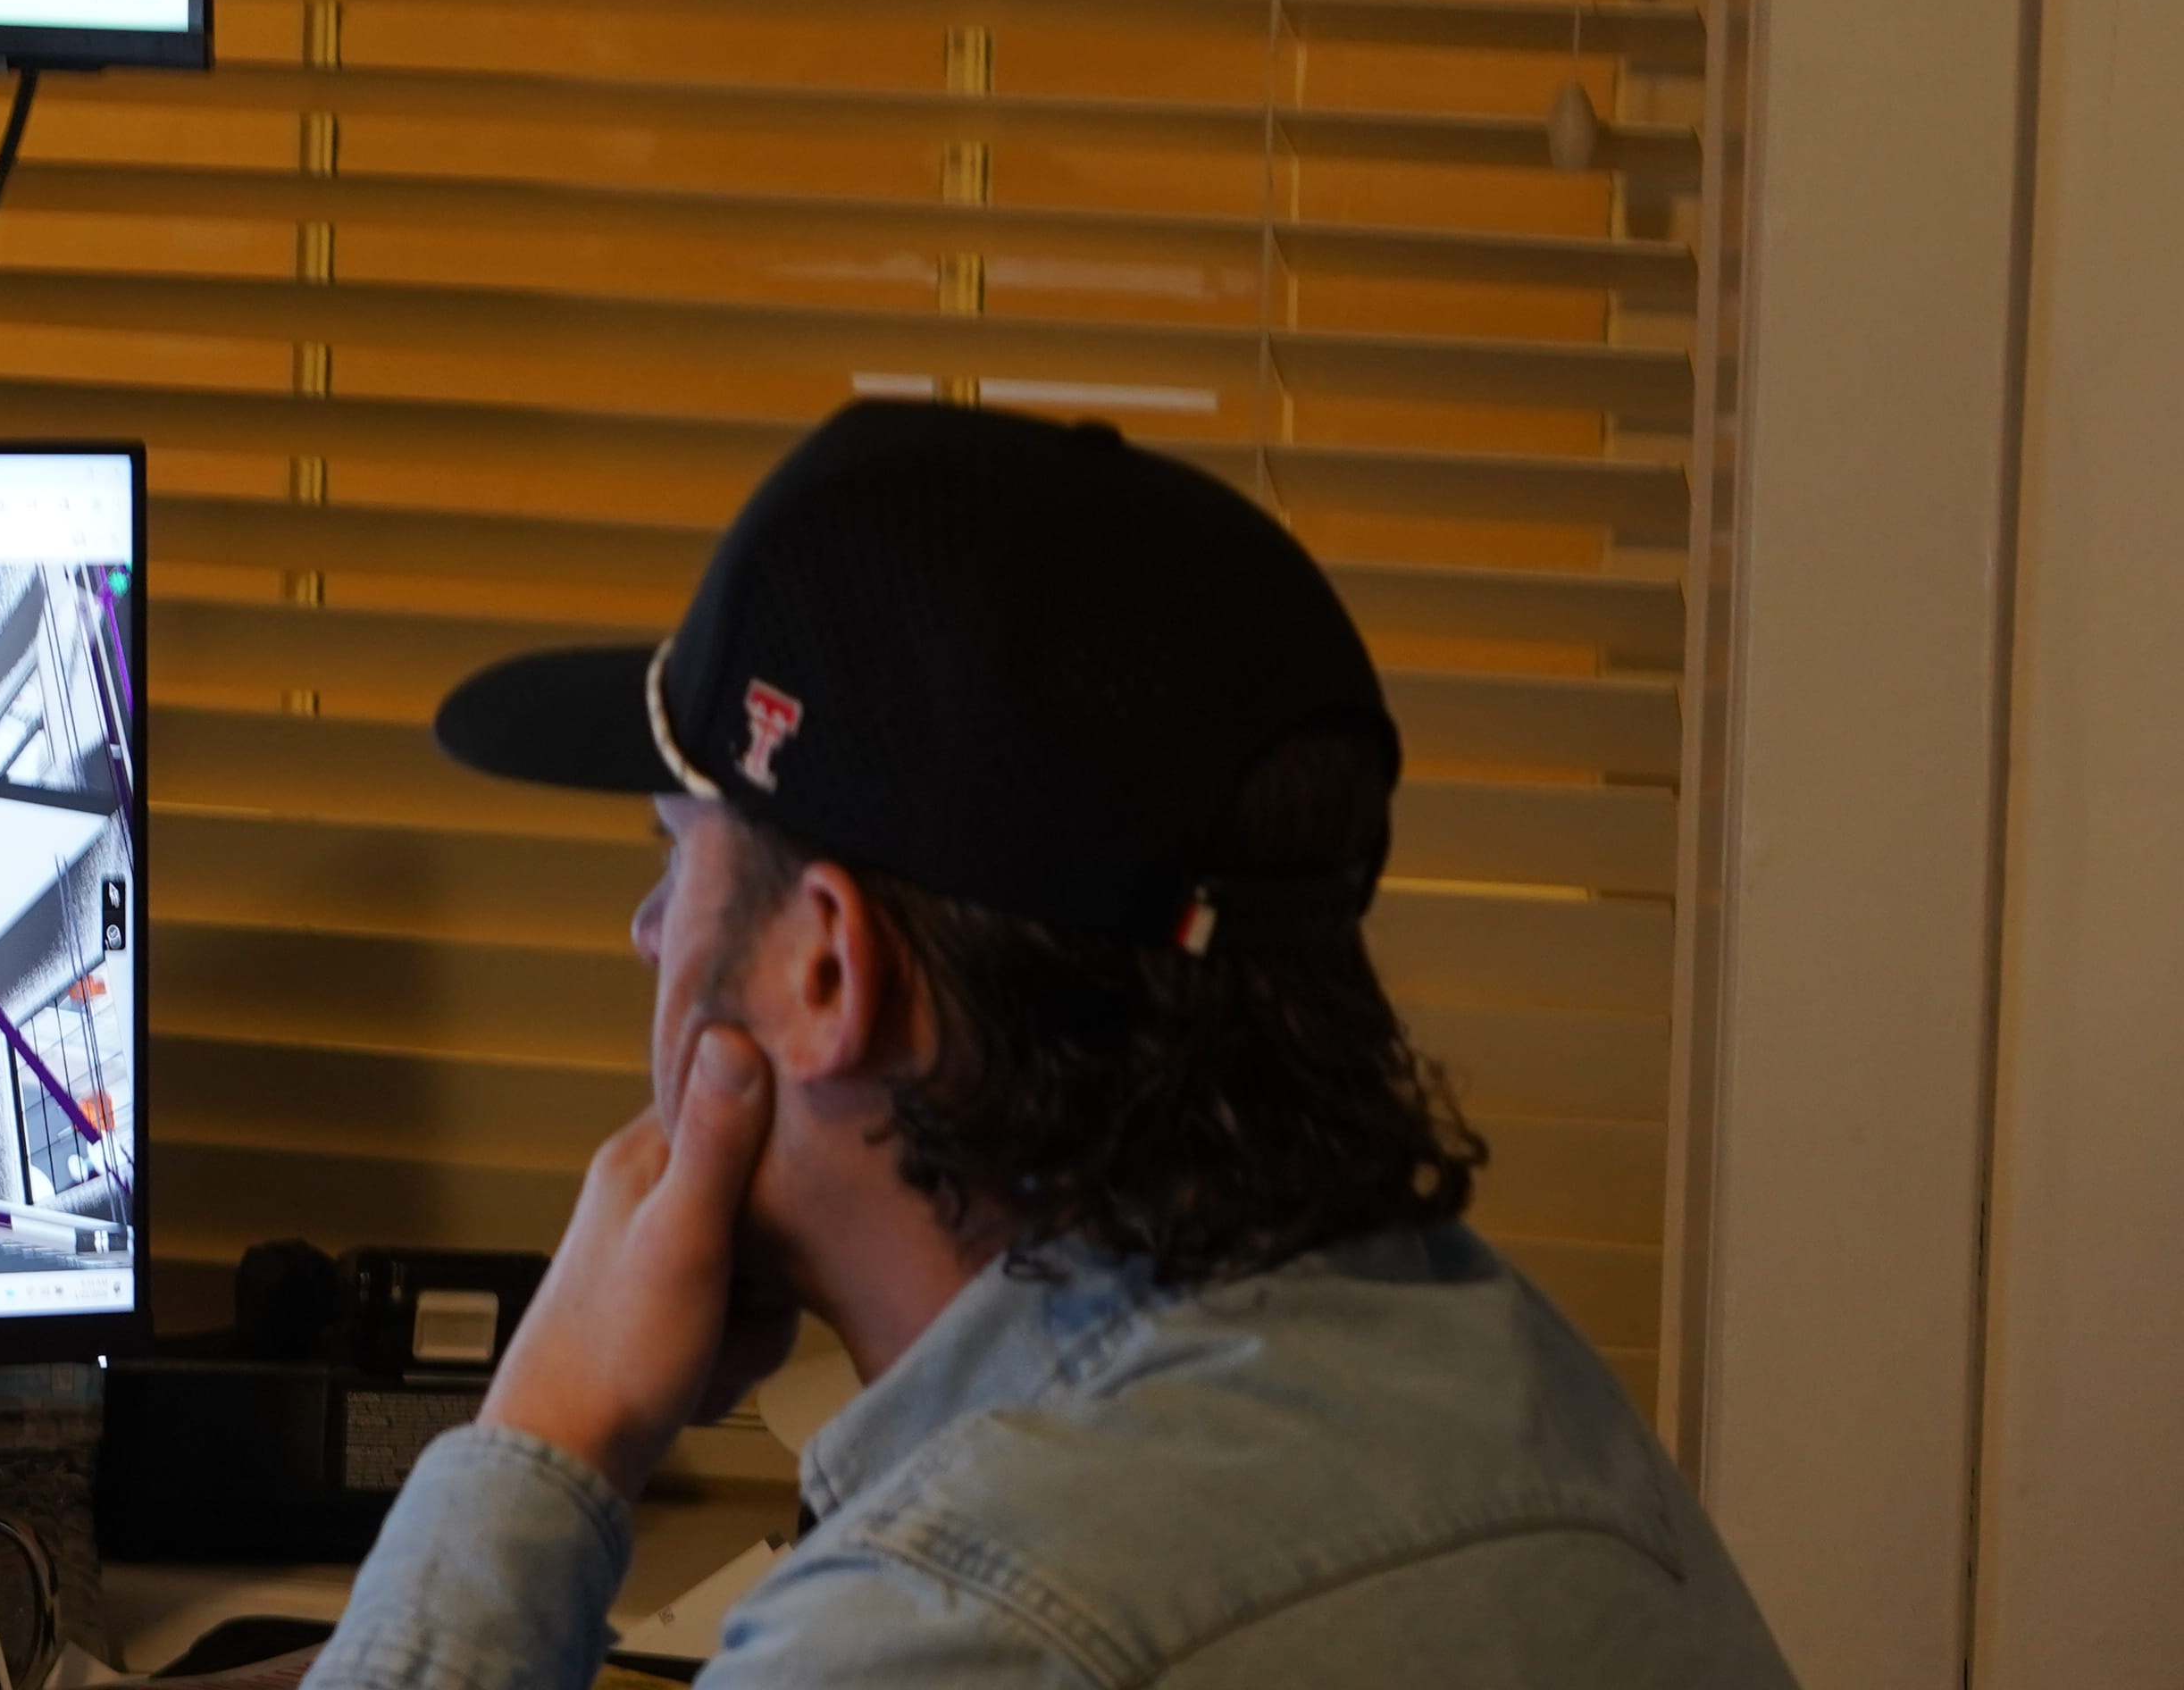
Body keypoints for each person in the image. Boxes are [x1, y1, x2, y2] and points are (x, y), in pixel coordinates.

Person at [311, 398, 1793, 1686]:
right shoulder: (1523, 1390)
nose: (647, 932)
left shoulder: (955, 1629)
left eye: (674, 854)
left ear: (825, 967)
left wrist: (549, 1438)